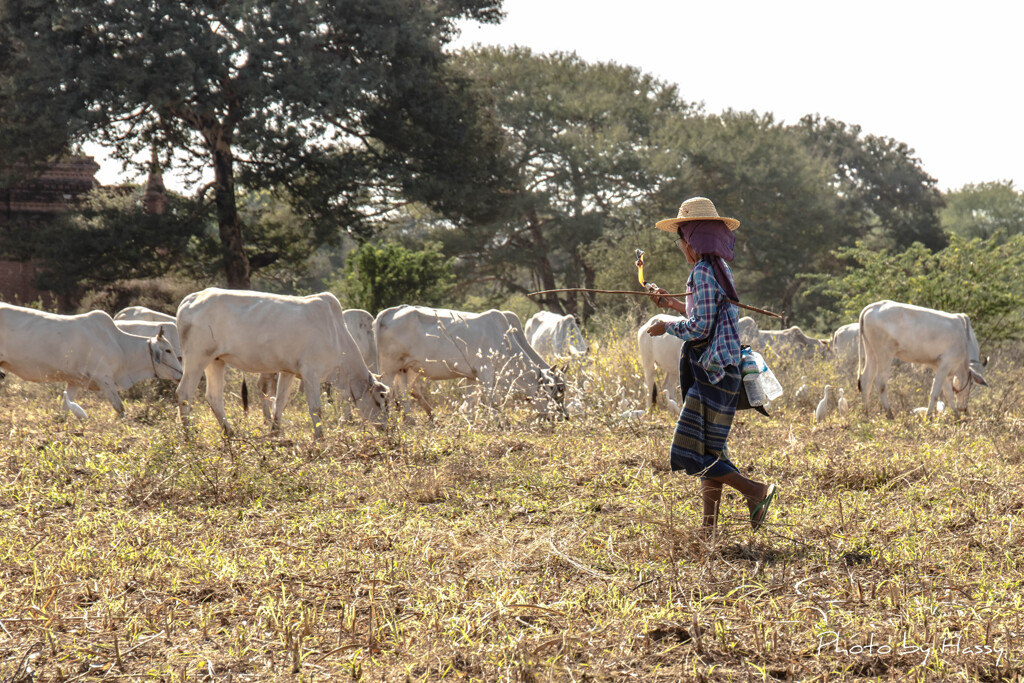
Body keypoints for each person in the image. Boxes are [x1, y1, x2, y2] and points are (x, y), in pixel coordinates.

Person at [645, 196, 777, 534]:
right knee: (709, 449)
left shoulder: (702, 273)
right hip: (723, 368)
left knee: (689, 452)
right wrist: (673, 303)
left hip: (711, 370)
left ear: (692, 241)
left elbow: (699, 328)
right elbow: (705, 315)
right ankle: (708, 529)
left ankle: (755, 490)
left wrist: (666, 326)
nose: (681, 247)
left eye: (682, 240)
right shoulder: (717, 269)